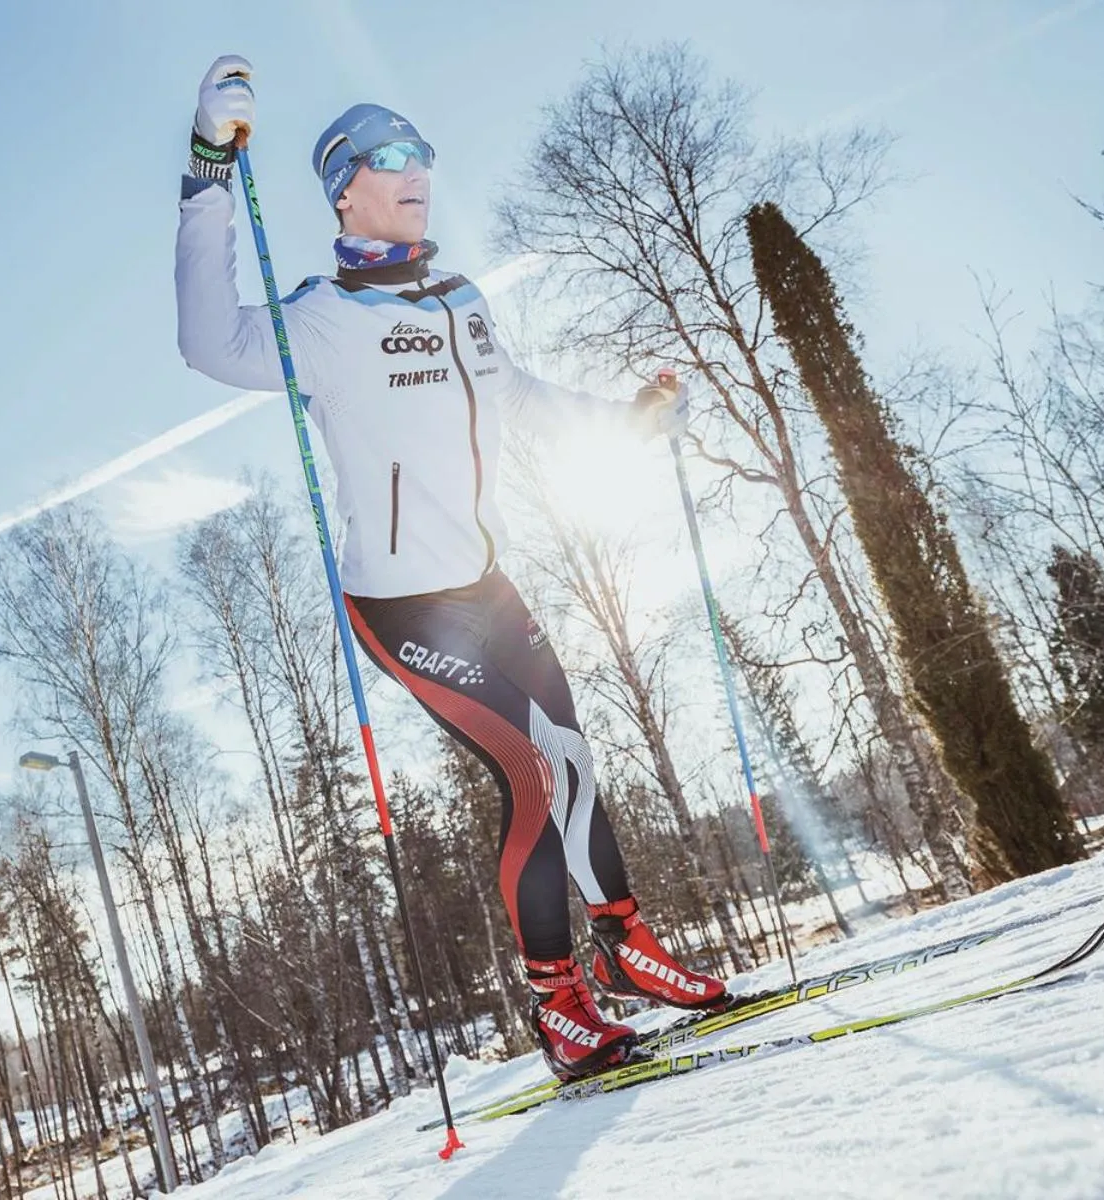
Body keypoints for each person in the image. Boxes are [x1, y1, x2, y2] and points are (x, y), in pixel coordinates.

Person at [174, 55, 727, 1083]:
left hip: (486, 585)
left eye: (420, 151)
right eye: (388, 157)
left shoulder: (462, 300)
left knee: (576, 754)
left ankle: (631, 950)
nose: (415, 168)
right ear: (345, 186)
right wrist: (211, 163)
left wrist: (636, 424)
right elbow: (208, 340)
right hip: (401, 603)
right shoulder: (328, 321)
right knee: (528, 766)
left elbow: (521, 399)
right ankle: (556, 1004)